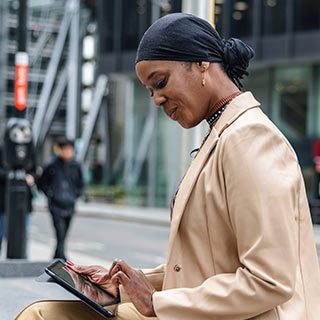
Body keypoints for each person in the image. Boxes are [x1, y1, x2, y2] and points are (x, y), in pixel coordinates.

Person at [16, 13, 320, 320]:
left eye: (160, 82)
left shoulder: (249, 139)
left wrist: (157, 303)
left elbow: (269, 281)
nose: (157, 100)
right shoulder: (225, 135)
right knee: (48, 312)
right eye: (150, 91)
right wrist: (126, 285)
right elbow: (210, 266)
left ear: (202, 63)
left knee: (44, 316)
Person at [36, 137, 84, 260]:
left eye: (70, 150)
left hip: (69, 204)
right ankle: (62, 258)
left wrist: (75, 194)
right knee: (60, 232)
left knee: (64, 234)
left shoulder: (76, 165)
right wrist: (50, 194)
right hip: (56, 205)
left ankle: (57, 257)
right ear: (61, 150)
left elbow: (81, 184)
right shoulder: (52, 165)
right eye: (66, 149)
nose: (68, 152)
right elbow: (41, 183)